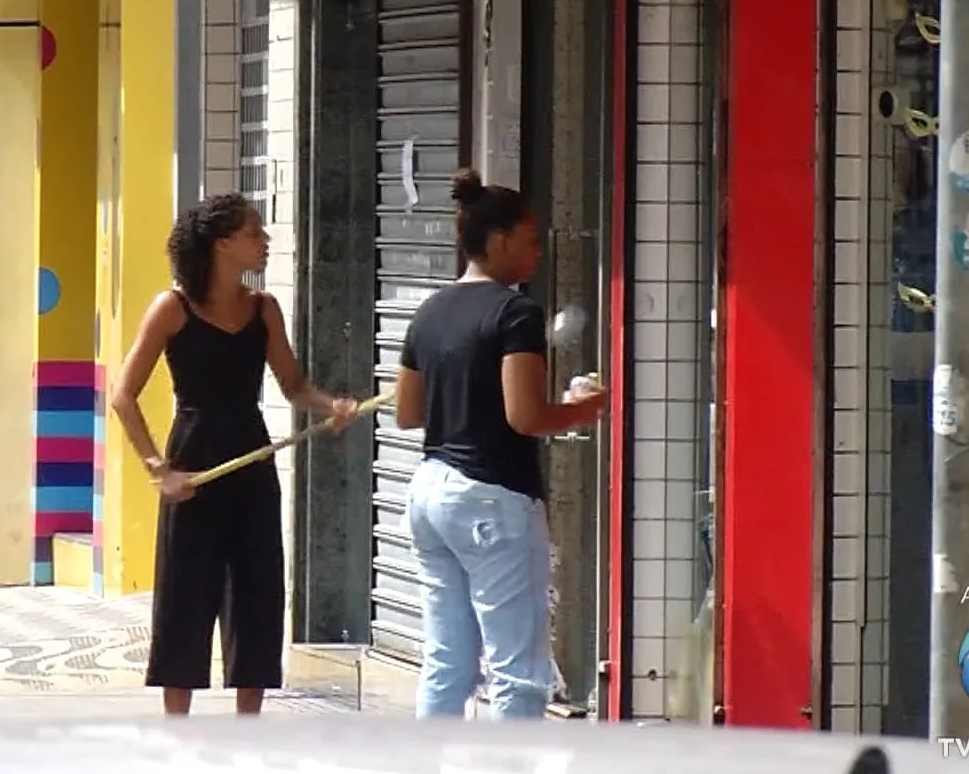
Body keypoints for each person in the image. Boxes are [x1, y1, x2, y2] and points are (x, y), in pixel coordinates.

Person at [110, 192, 359, 717]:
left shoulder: (264, 309)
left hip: (252, 457)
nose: (264, 241)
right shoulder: (172, 308)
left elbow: (293, 385)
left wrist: (330, 406)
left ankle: (249, 728)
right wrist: (160, 470)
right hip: (193, 460)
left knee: (256, 590)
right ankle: (177, 731)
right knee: (185, 594)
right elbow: (123, 395)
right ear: (222, 242)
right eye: (254, 233)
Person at [393, 168, 606, 720]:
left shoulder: (429, 311)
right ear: (499, 239)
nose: (537, 252)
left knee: (448, 663)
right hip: (492, 498)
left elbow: (407, 413)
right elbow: (526, 416)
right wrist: (586, 408)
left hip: (430, 491)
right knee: (519, 670)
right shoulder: (517, 313)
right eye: (531, 239)